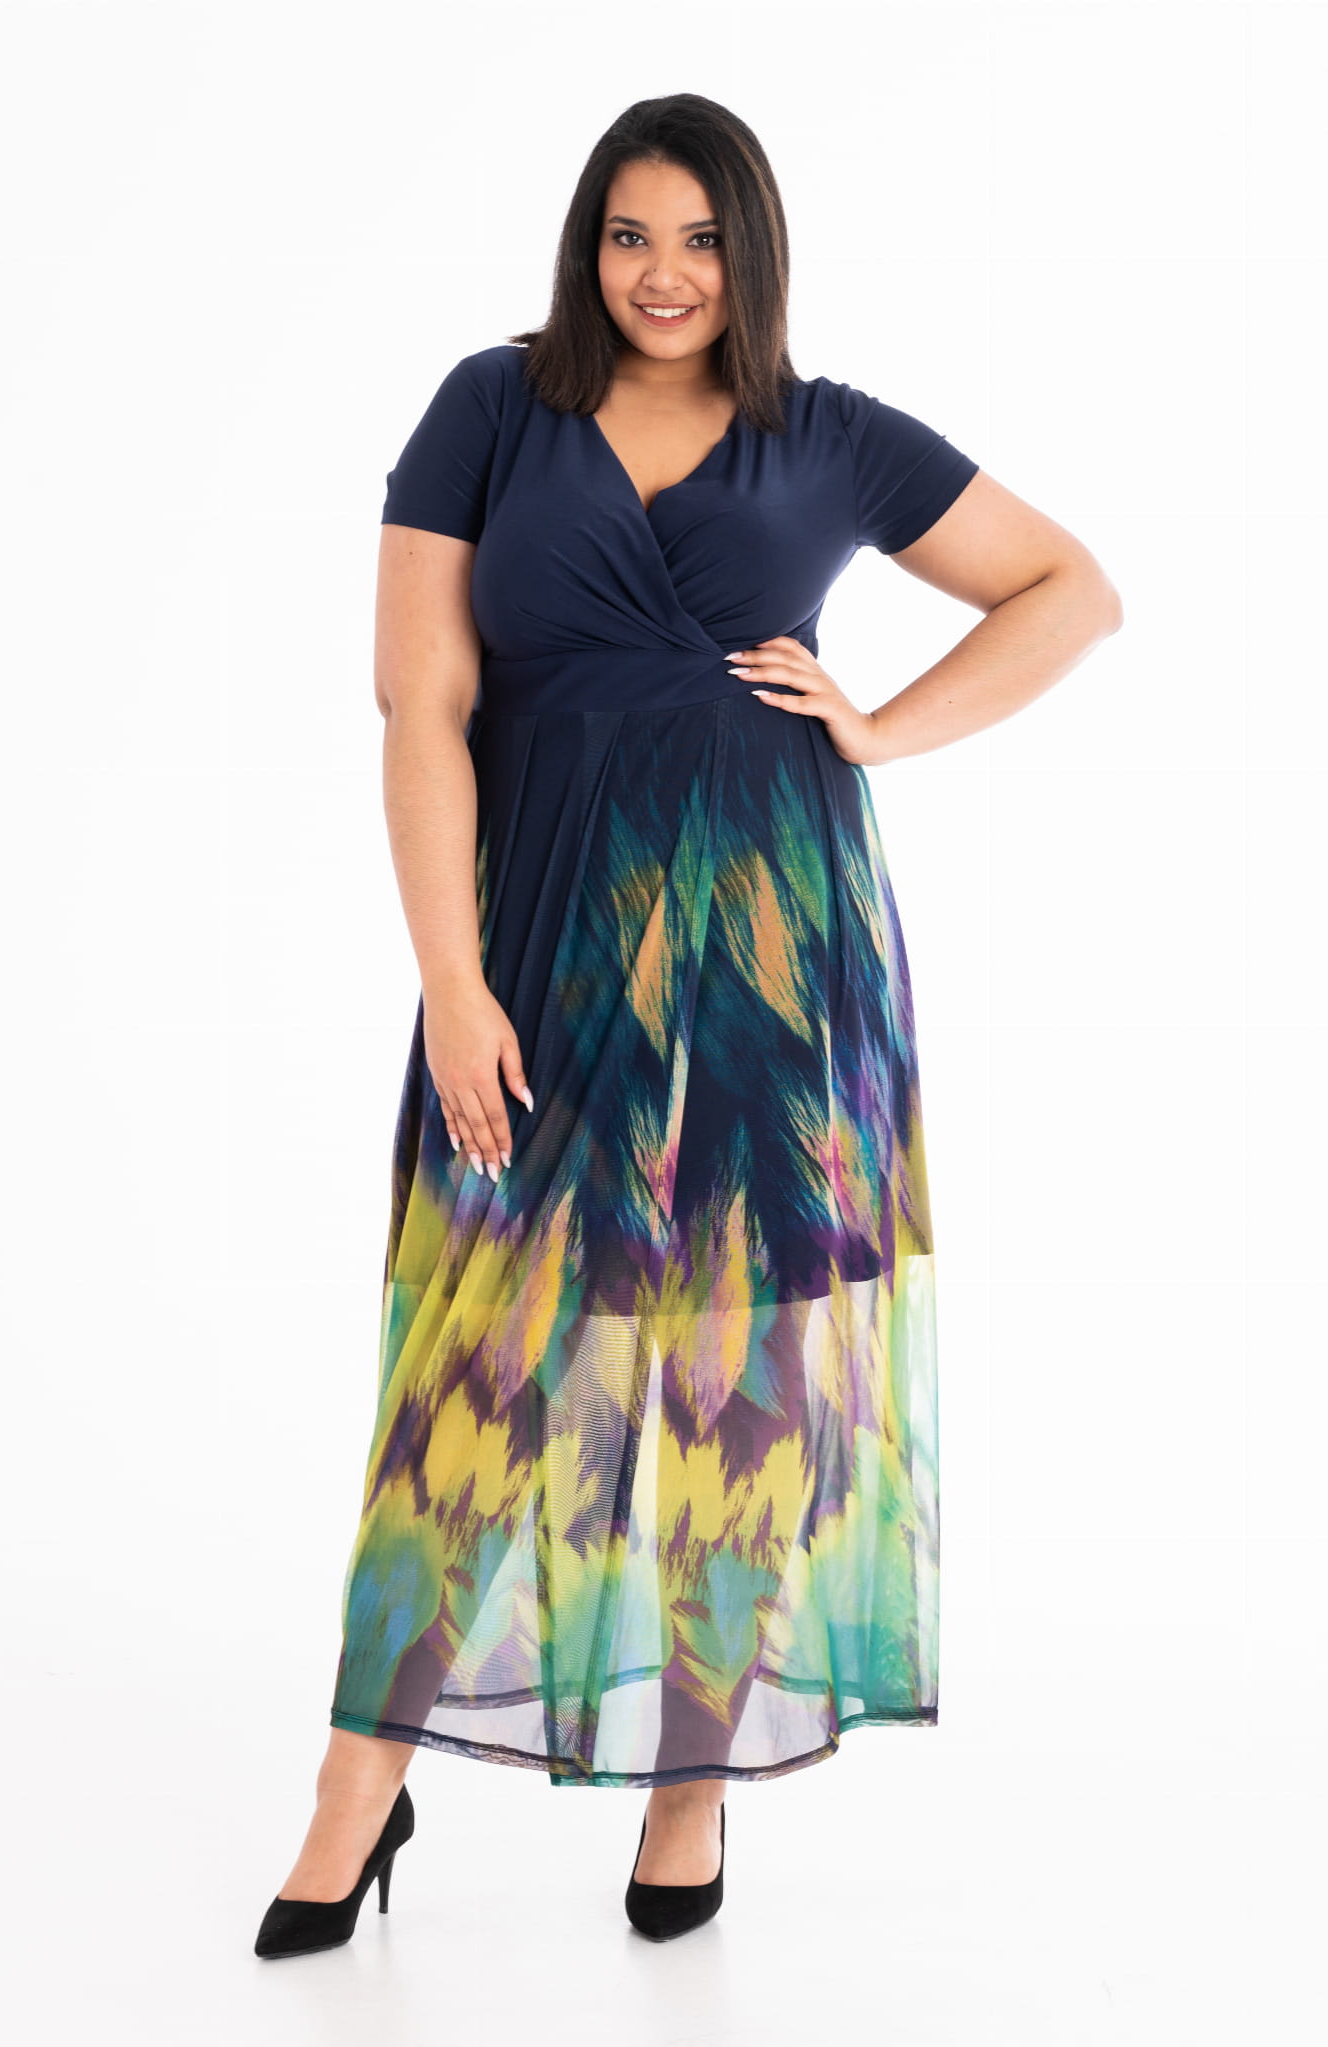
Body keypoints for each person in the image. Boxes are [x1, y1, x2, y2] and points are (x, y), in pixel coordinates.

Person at [254, 92, 1123, 1960]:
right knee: (472, 1369)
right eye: (631, 236)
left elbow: (1072, 589)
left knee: (740, 1383)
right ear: (588, 246)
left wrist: (878, 727)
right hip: (536, 956)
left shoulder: (832, 434)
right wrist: (452, 981)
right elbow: (420, 708)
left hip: (776, 965)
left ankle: (691, 1789)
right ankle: (355, 1786)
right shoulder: (493, 408)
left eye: (703, 239)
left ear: (755, 250)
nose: (665, 275)